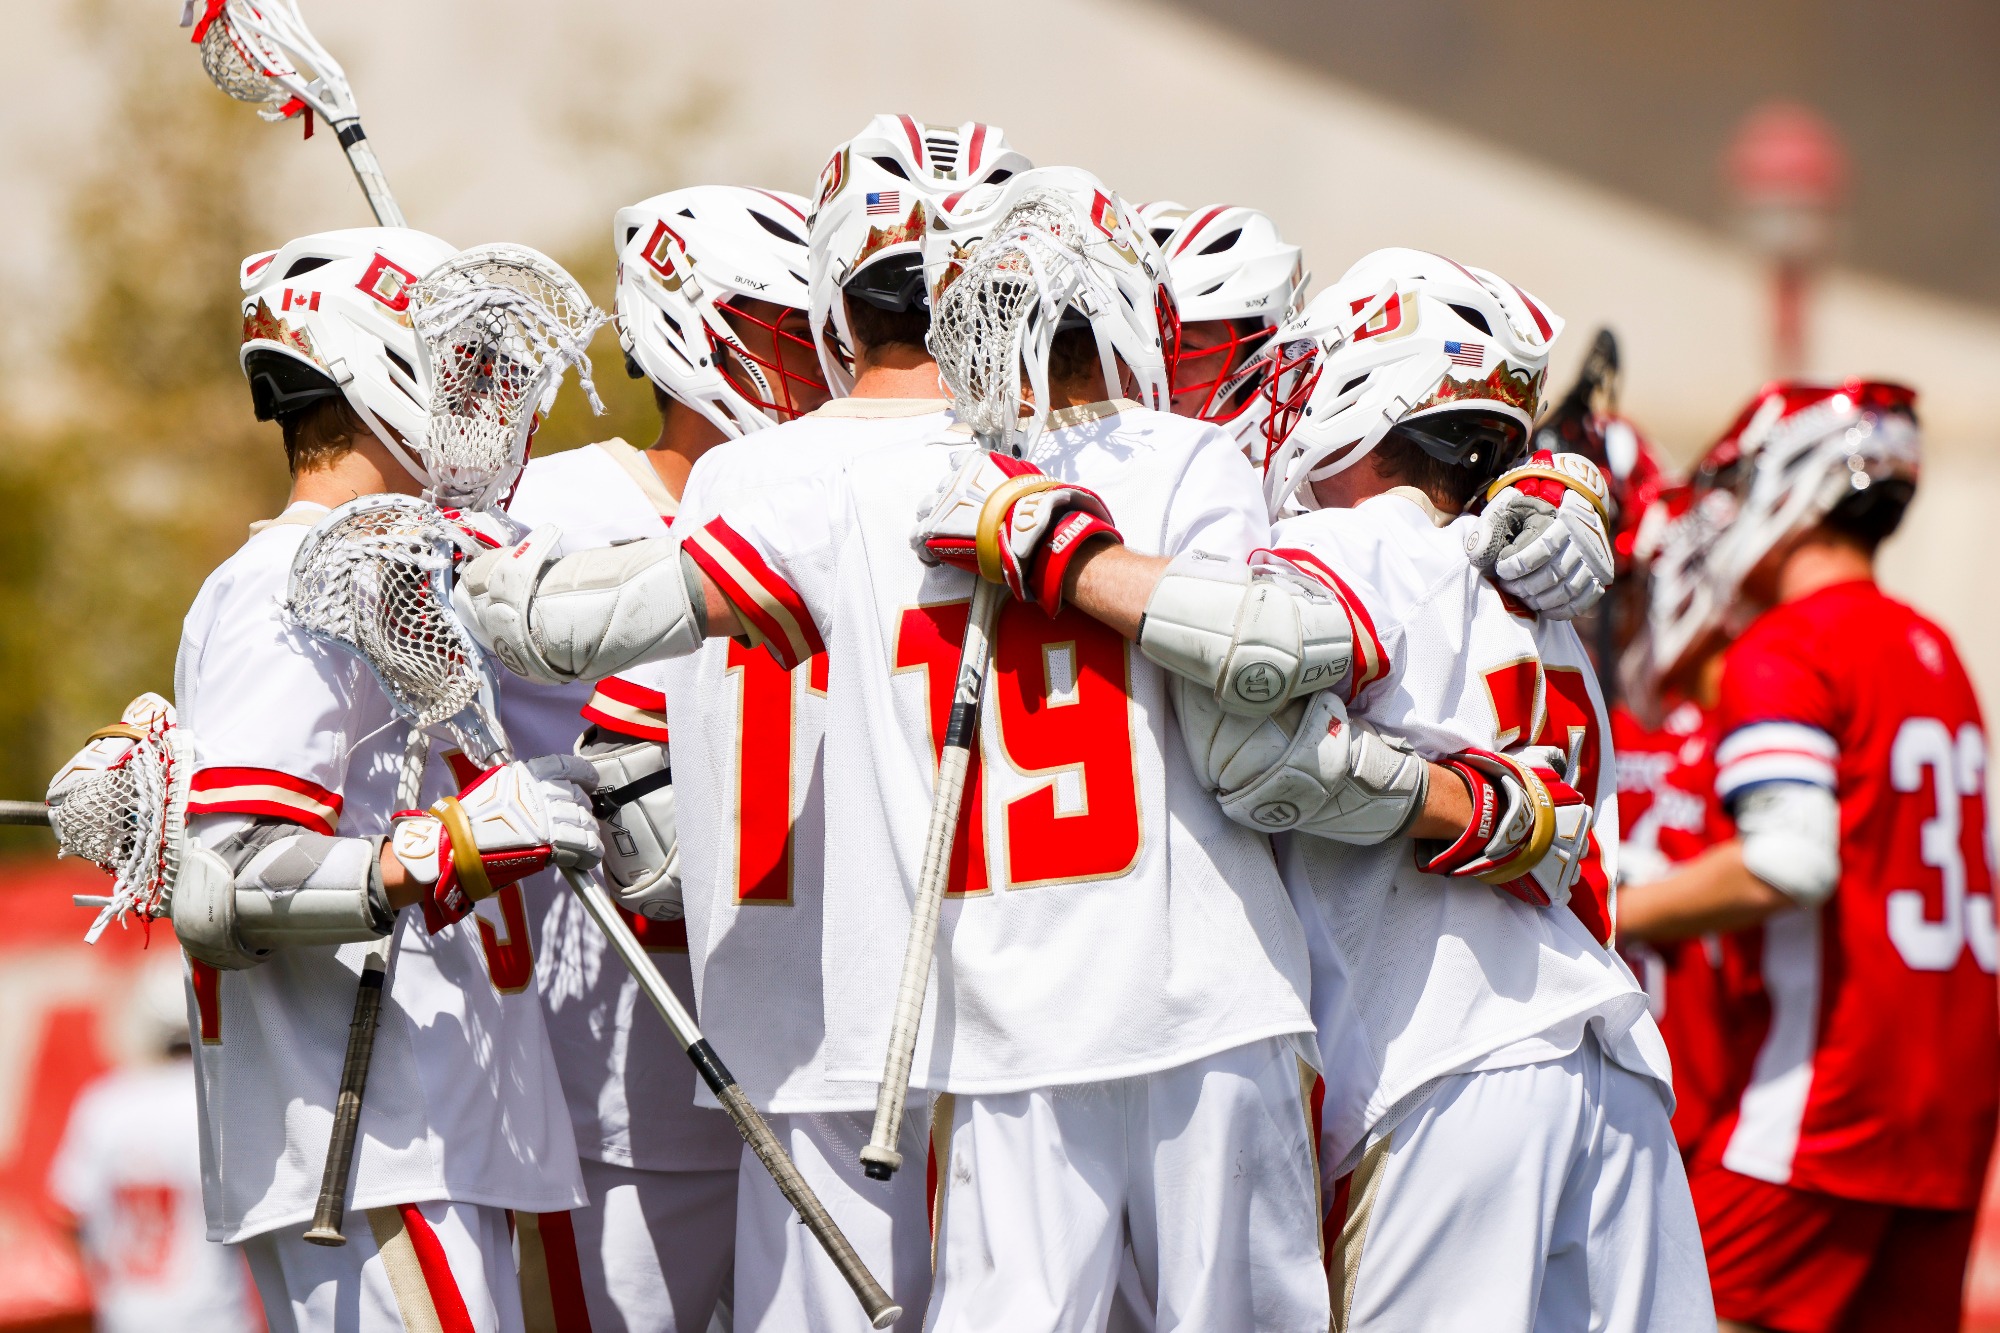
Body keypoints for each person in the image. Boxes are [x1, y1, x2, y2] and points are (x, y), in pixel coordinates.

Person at [1122, 247, 1712, 1331]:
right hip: (1614, 1057)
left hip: (1440, 1062)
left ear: (1361, 388)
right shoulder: (1537, 603)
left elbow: (1256, 741)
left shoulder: (1349, 542)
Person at [167, 228, 596, 1332]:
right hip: (372, 1139)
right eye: (456, 362)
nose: (486, 396)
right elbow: (225, 882)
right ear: (372, 365)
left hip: (443, 1128)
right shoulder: (285, 584)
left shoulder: (415, 570)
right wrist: (438, 850)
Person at [495, 183, 830, 1333]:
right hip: (622, 1059)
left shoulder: (832, 499)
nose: (807, 359)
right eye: (780, 327)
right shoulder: (543, 504)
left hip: (815, 1044)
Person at [1619, 380, 1999, 1333]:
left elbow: (1785, 862)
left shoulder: (1786, 646)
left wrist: (1605, 906)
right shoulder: (1935, 647)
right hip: (1950, 1106)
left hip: (1823, 1103)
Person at [49, 955, 262, 1333]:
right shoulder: (221, 1099)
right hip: (215, 1317)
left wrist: (111, 1273)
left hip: (128, 1318)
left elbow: (68, 1213)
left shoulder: (104, 1104)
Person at [1138, 201, 1304, 455]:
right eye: (1135, 343)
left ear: (1261, 363)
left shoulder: (1296, 493)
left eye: (1186, 347)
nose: (1153, 370)